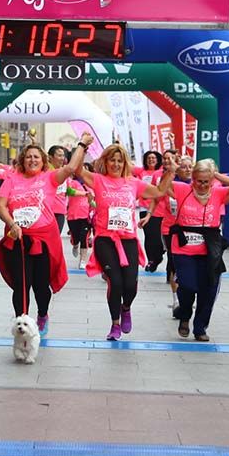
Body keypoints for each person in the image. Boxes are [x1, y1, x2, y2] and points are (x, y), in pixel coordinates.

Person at [76, 144, 173, 340]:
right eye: (112, 160)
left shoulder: (133, 183)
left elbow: (159, 191)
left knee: (130, 284)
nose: (116, 164)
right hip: (105, 239)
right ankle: (115, 324)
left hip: (128, 239)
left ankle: (126, 307)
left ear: (125, 163)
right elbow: (76, 170)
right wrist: (83, 146)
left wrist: (171, 171)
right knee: (116, 282)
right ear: (105, 161)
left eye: (120, 160)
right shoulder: (98, 180)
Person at [0, 139, 87, 334]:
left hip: (43, 240)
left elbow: (70, 167)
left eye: (36, 157)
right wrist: (12, 223)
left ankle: (43, 314)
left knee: (40, 285)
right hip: (18, 239)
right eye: (28, 157)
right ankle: (22, 321)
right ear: (22, 160)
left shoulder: (50, 178)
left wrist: (82, 145)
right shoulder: (12, 180)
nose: (32, 160)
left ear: (43, 161)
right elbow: (0, 206)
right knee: (21, 285)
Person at [167, 159, 229, 341]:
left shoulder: (218, 193)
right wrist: (171, 171)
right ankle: (185, 314)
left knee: (209, 289)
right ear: (193, 179)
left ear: (212, 181)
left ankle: (200, 328)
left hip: (210, 246)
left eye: (206, 181)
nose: (203, 185)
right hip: (183, 247)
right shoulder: (182, 189)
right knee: (188, 285)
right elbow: (161, 187)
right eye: (199, 181)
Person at [162, 155, 195, 310]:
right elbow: (162, 188)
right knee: (175, 264)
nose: (187, 169)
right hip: (171, 229)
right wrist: (171, 171)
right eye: (183, 167)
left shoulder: (199, 185)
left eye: (190, 167)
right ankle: (176, 299)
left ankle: (189, 295)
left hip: (193, 231)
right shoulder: (174, 184)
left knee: (191, 266)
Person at [134, 151, 165, 272]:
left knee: (157, 237)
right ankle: (152, 260)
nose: (151, 160)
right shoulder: (141, 171)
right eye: (148, 158)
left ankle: (158, 255)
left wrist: (172, 144)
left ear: (158, 160)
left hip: (159, 209)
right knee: (149, 236)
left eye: (153, 158)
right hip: (144, 208)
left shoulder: (162, 171)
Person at [65, 164, 96, 267]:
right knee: (76, 238)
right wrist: (84, 194)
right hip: (73, 215)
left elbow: (93, 204)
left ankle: (82, 260)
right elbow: (69, 192)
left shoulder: (91, 186)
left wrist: (91, 202)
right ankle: (75, 245)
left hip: (85, 216)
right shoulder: (72, 182)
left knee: (84, 237)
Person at [46, 145, 70, 233]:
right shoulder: (46, 171)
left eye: (63, 155)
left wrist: (84, 194)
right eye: (59, 155)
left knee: (55, 238)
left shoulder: (64, 172)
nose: (62, 158)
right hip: (47, 211)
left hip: (60, 212)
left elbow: (68, 190)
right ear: (51, 157)